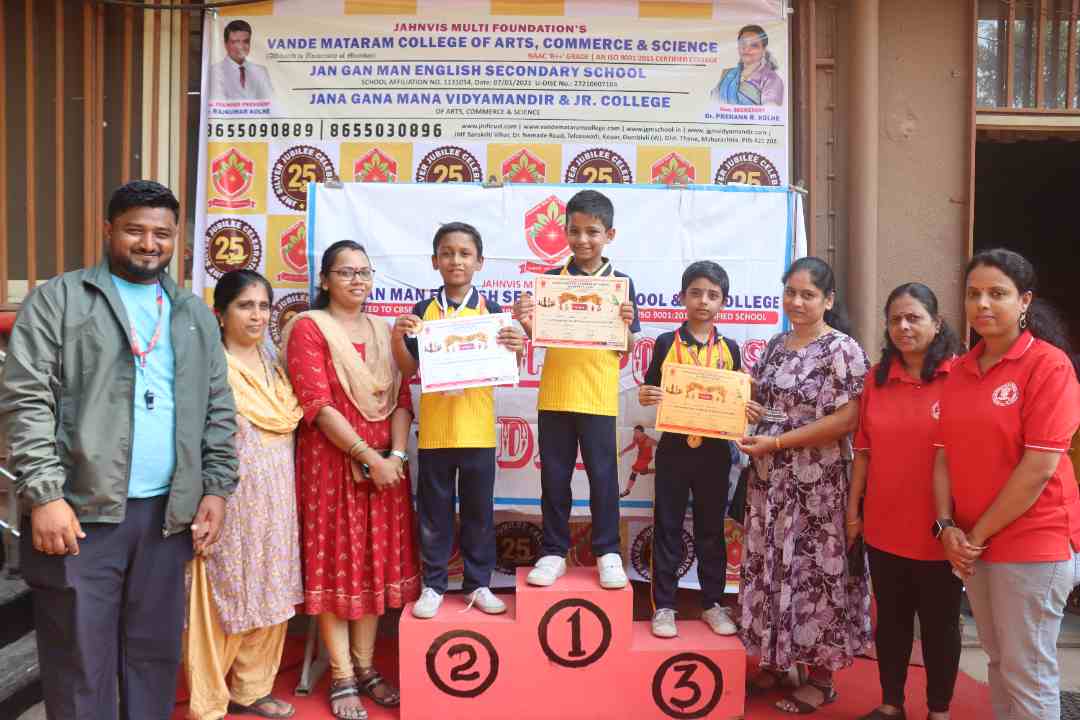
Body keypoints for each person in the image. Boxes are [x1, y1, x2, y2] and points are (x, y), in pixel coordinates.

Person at [0, 180, 238, 720]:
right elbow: (26, 399)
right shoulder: (59, 300)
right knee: (79, 664)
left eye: (162, 233)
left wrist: (217, 489)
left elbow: (217, 407)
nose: (149, 243)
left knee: (153, 658)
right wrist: (45, 496)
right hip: (79, 515)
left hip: (166, 518)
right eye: (135, 230)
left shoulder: (192, 313)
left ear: (177, 239)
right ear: (108, 230)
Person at [933, 248, 1080, 720]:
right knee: (1000, 663)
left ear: (1025, 301)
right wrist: (946, 526)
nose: (982, 304)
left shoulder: (1049, 366)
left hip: (1033, 542)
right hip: (974, 545)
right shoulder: (959, 370)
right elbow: (944, 455)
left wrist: (974, 536)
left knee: (1027, 673)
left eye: (997, 293)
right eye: (973, 293)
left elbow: (1038, 468)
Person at [283, 240, 420, 720]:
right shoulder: (309, 327)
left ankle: (365, 667)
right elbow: (317, 406)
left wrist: (395, 456)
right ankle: (341, 674)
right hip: (332, 465)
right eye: (345, 272)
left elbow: (403, 398)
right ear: (325, 280)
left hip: (387, 469)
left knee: (373, 564)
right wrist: (367, 457)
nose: (357, 280)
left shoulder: (385, 330)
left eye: (364, 272)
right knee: (334, 564)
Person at [737, 256, 871, 714]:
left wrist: (777, 441)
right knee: (774, 568)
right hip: (770, 483)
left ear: (828, 300)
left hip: (818, 486)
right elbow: (765, 403)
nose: (796, 301)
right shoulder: (776, 345)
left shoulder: (842, 349)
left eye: (808, 294)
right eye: (790, 292)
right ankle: (778, 662)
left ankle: (820, 678)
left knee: (814, 574)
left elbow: (849, 419)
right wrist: (747, 408)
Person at [182, 270, 303, 720]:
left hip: (276, 502)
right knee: (221, 598)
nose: (257, 315)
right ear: (220, 313)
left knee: (272, 590)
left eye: (264, 306)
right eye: (245, 306)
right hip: (226, 501)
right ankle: (209, 702)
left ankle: (252, 689)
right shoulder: (209, 367)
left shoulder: (274, 365)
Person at [390, 222, 525, 619]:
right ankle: (433, 585)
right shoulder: (422, 312)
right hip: (434, 433)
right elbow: (408, 369)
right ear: (435, 261)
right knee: (434, 515)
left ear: (479, 262)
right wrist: (398, 338)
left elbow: (508, 367)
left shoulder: (492, 312)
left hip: (478, 431)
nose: (456, 260)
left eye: (465, 254)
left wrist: (517, 348)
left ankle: (478, 583)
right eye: (447, 253)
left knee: (479, 514)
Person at [513, 189, 640, 589]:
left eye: (592, 232)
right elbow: (540, 337)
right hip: (556, 395)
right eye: (575, 231)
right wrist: (527, 323)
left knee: (604, 478)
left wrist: (625, 325)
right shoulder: (552, 281)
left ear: (610, 235)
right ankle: (553, 551)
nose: (583, 239)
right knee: (554, 478)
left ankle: (607, 551)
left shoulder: (620, 284)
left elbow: (627, 347)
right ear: (565, 232)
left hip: (598, 397)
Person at [846, 283, 962, 720]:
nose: (904, 327)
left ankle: (939, 710)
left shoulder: (960, 376)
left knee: (939, 625)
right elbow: (863, 452)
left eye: (914, 318)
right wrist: (853, 513)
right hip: (884, 524)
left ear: (937, 323)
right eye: (895, 319)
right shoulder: (877, 379)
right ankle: (891, 703)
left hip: (941, 528)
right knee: (891, 620)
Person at [637, 261, 744, 639]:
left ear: (723, 303)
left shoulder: (730, 349)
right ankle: (664, 606)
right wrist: (647, 395)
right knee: (667, 526)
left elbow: (735, 400)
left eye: (713, 295)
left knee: (711, 529)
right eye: (696, 293)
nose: (703, 301)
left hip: (714, 451)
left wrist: (744, 407)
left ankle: (712, 603)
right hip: (674, 448)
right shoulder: (667, 343)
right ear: (682, 297)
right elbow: (649, 390)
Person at [710, 24, 784, 106]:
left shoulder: (772, 79)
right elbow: (713, 104)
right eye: (743, 43)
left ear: (763, 50)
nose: (746, 48)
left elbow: (770, 111)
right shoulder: (727, 74)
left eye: (754, 45)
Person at [210, 19, 274, 101]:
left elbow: (270, 102)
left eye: (246, 41)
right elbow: (216, 102)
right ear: (225, 44)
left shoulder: (261, 71)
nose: (241, 46)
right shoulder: (215, 71)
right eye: (235, 42)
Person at [618, 425, 656, 498]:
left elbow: (659, 445)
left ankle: (627, 490)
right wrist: (623, 452)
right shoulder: (635, 437)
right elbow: (633, 445)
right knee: (643, 472)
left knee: (634, 471)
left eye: (636, 432)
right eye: (634, 432)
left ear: (642, 432)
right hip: (640, 457)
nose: (635, 433)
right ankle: (660, 471)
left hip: (645, 459)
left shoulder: (648, 440)